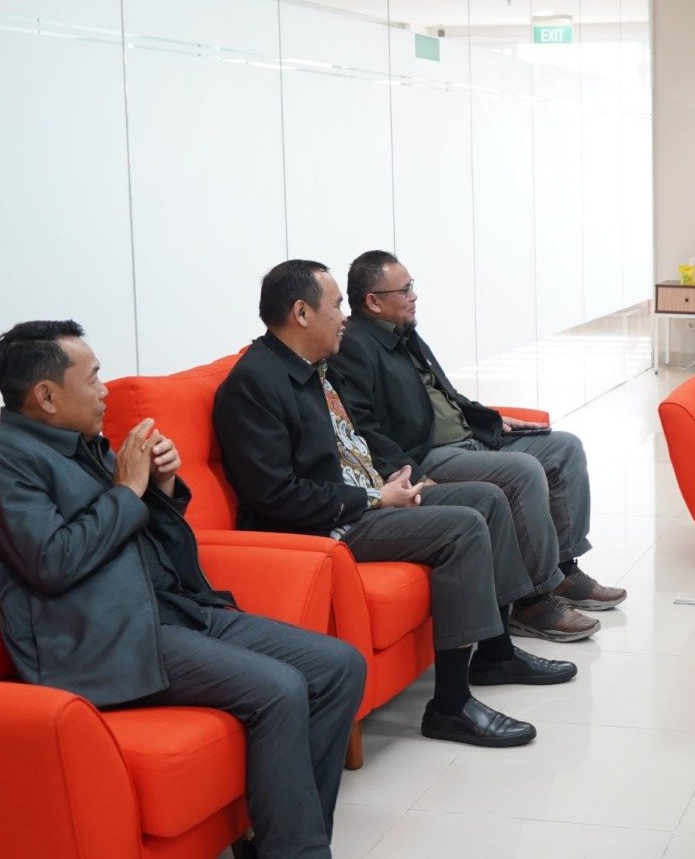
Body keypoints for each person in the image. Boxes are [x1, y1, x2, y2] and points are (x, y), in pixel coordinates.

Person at [0, 320, 366, 859]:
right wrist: (129, 490)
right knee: (280, 688)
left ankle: (278, 842)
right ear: (46, 395)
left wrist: (161, 486)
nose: (104, 390)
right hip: (109, 639)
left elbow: (147, 536)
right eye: (93, 377)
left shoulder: (81, 445)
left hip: (174, 610)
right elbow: (53, 561)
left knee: (339, 665)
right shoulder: (1, 459)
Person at [214, 260, 574, 750]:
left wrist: (395, 476)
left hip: (365, 498)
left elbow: (354, 441)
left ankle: (496, 653)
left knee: (488, 499)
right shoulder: (254, 385)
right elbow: (277, 496)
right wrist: (374, 498)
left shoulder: (313, 368)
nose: (344, 317)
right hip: (325, 528)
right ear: (301, 313)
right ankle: (450, 706)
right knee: (463, 527)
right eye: (336, 306)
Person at [330, 250, 624, 642]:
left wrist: (491, 419)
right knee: (523, 472)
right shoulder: (354, 345)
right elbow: (362, 426)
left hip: (468, 440)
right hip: (426, 455)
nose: (414, 296)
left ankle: (564, 570)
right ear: (373, 301)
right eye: (405, 289)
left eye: (412, 286)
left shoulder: (404, 333)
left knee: (564, 448)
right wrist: (412, 475)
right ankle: (533, 601)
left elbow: (445, 395)